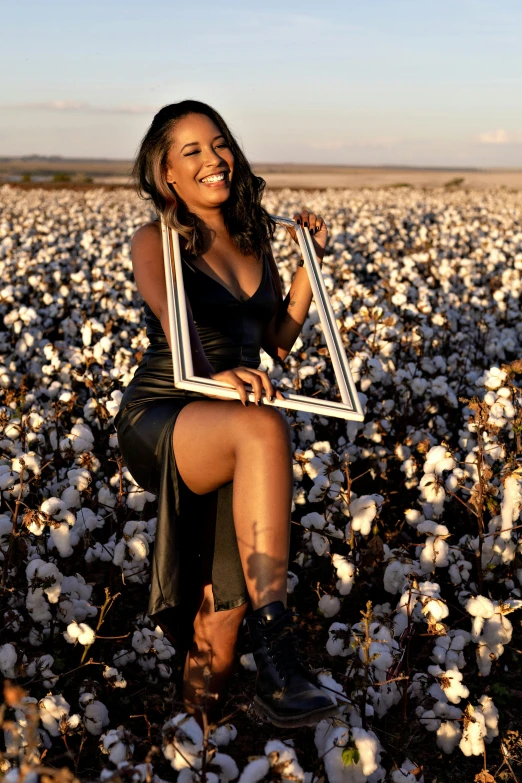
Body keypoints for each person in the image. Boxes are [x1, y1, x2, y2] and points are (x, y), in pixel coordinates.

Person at [115, 100, 337, 728]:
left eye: (219, 145)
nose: (213, 160)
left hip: (232, 415)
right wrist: (213, 376)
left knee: (226, 597)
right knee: (265, 425)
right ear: (167, 177)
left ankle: (193, 740)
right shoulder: (154, 240)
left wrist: (306, 270)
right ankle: (280, 652)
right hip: (165, 411)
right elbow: (173, 323)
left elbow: (278, 341)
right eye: (192, 152)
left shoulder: (252, 239)